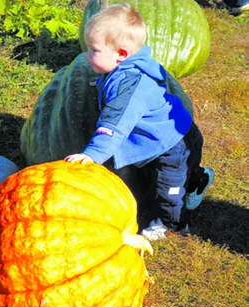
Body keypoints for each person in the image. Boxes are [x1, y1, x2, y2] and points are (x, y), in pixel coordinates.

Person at [64, 4, 214, 240]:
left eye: (93, 50)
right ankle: (198, 179)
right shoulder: (131, 67)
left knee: (168, 191)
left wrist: (93, 155)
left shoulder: (130, 89)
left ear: (121, 54)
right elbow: (121, 86)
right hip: (179, 134)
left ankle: (172, 225)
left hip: (172, 146)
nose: (87, 55)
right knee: (186, 170)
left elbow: (113, 127)